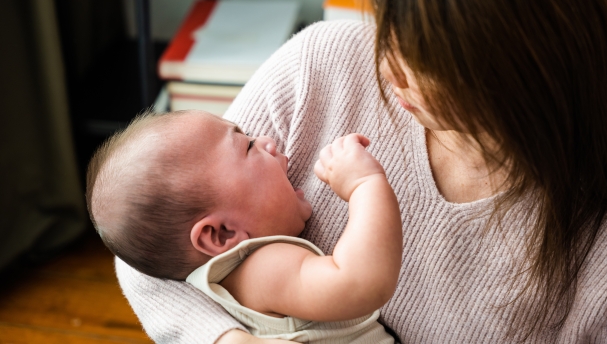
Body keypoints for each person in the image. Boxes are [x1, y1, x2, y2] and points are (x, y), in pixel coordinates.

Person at [116, 0, 607, 343]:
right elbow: (147, 247)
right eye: (386, 20)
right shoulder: (323, 68)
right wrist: (224, 338)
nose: (386, 64)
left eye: (417, 49)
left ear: (519, 65)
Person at [85, 110, 400, 343]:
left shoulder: (217, 282)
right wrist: (364, 185)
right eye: (248, 147)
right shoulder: (262, 268)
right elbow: (361, 283)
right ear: (221, 234)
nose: (267, 141)